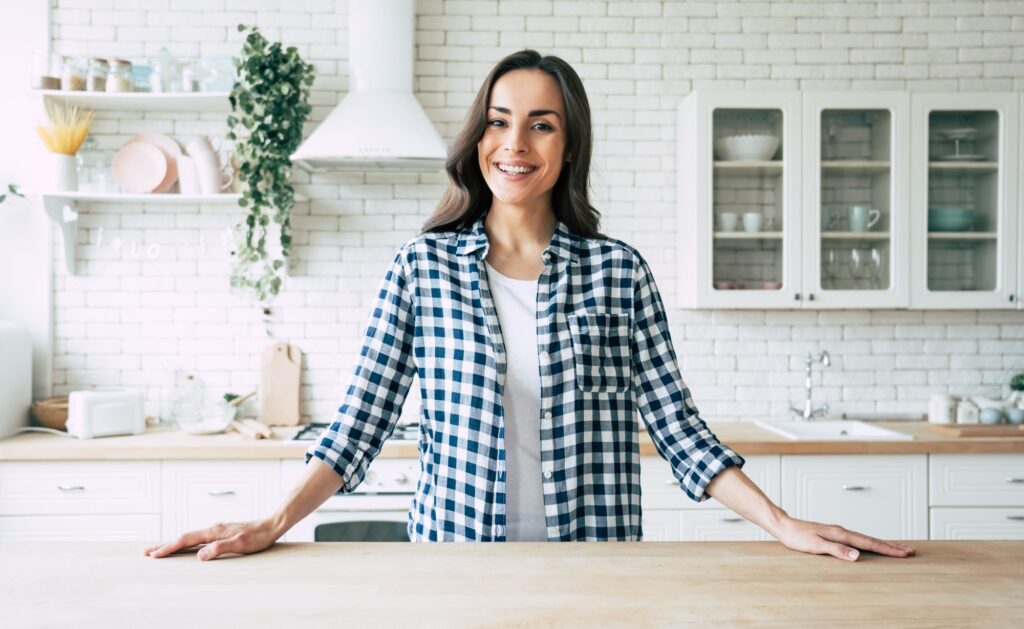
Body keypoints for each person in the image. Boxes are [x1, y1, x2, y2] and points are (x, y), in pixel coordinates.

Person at [145, 50, 915, 561]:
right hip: (456, 568)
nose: (516, 142)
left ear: (568, 144)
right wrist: (273, 521)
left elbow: (680, 432)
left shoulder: (619, 273)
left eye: (541, 124)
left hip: (596, 567)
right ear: (479, 137)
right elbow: (359, 425)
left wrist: (783, 522)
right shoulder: (421, 268)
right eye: (499, 120)